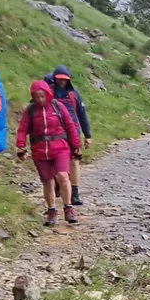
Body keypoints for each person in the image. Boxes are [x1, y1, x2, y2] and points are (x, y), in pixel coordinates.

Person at [16, 77, 83, 226]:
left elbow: (70, 126)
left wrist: (76, 144)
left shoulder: (58, 107)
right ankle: (52, 210)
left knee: (63, 176)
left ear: (47, 94)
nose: (40, 99)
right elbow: (22, 129)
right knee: (47, 181)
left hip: (60, 148)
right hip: (40, 151)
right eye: (36, 96)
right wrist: (20, 146)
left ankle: (68, 208)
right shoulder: (30, 111)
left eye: (42, 96)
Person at [47, 66, 92, 205]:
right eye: (59, 79)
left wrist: (87, 135)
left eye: (65, 80)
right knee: (55, 161)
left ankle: (74, 193)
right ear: (55, 79)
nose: (62, 82)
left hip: (73, 132)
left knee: (74, 162)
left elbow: (82, 115)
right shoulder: (48, 93)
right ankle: (59, 185)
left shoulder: (74, 94)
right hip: (54, 133)